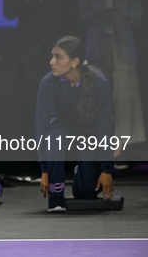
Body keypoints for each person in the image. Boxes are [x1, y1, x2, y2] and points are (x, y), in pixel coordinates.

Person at [2, 0, 80, 163]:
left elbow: (72, 13)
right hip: (30, 51)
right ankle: (39, 160)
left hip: (60, 51)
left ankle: (65, 158)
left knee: (64, 103)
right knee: (36, 104)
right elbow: (8, 12)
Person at [78, 0, 145, 157]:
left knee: (125, 98)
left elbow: (137, 15)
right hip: (97, 44)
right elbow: (81, 16)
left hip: (122, 43)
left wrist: (123, 15)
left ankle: (122, 149)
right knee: (98, 97)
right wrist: (97, 15)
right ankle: (98, 146)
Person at [37, 36, 114, 212]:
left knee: (86, 192)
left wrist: (106, 169)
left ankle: (84, 172)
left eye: (58, 57)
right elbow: (41, 126)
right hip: (62, 125)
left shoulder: (99, 82)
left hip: (89, 128)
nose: (51, 62)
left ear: (75, 61)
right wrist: (44, 170)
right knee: (54, 136)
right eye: (52, 56)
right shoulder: (48, 83)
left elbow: (104, 127)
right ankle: (55, 197)